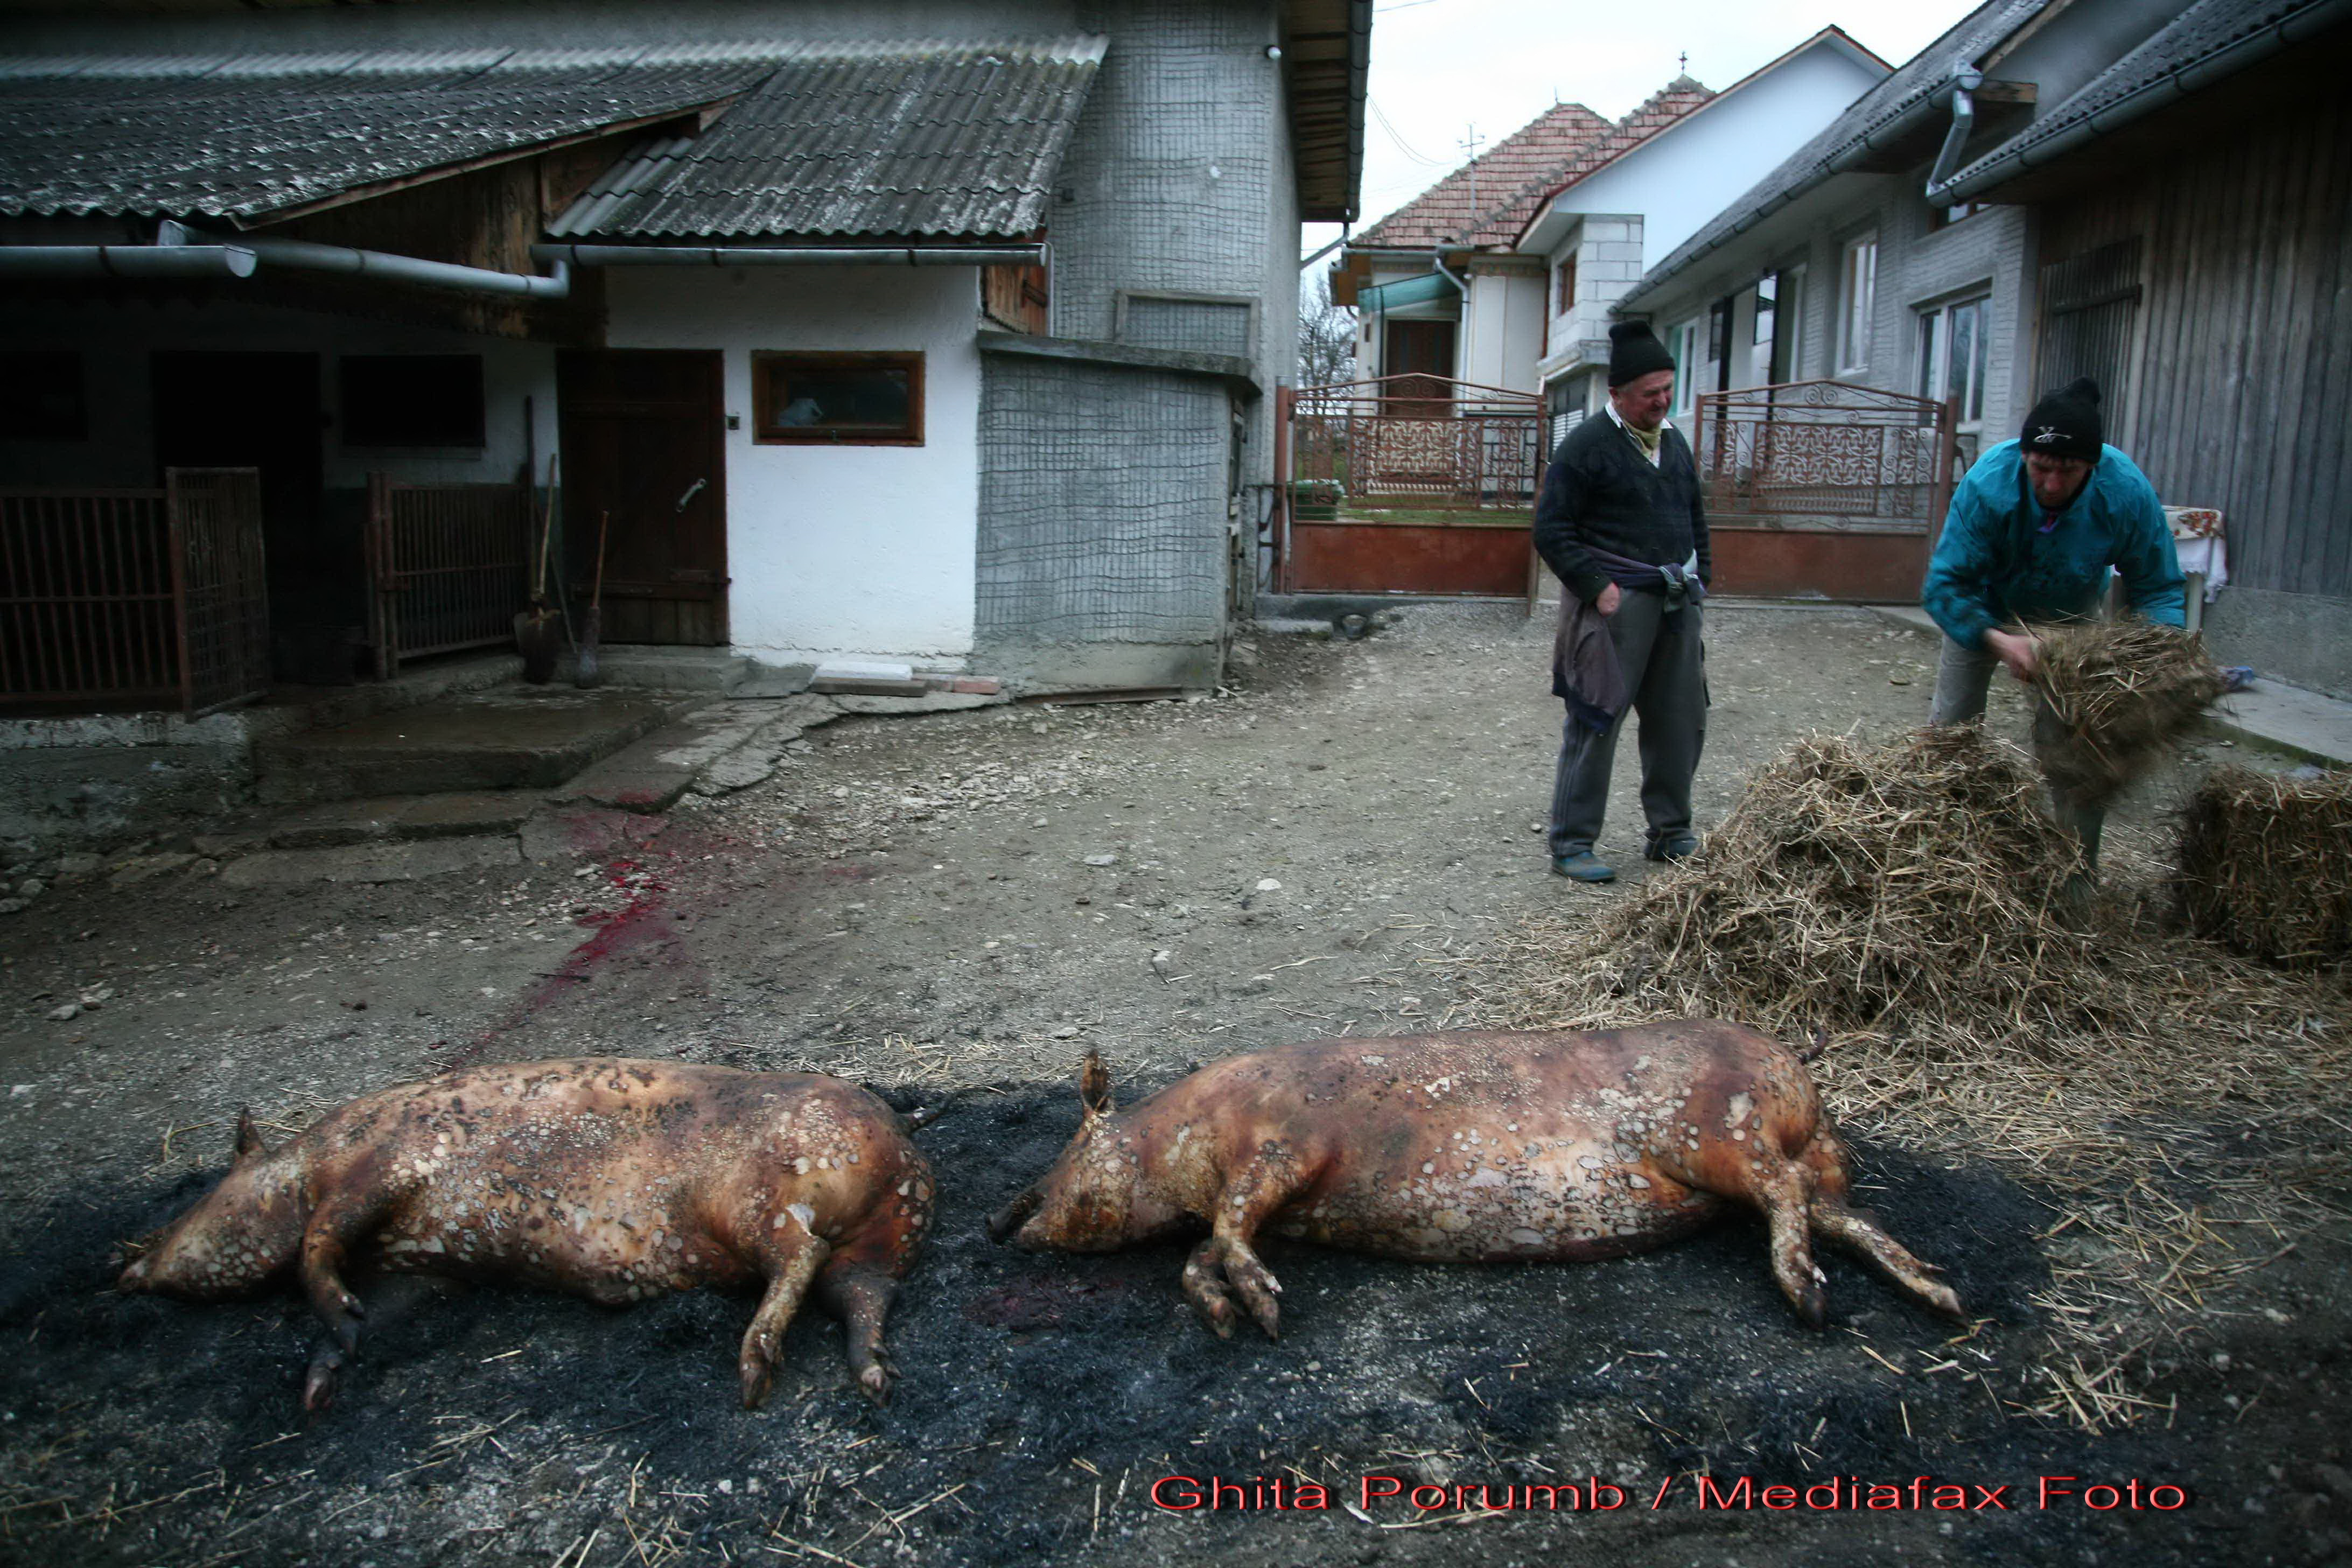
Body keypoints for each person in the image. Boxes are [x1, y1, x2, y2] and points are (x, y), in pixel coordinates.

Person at [1920, 376, 2186, 869]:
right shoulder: (1987, 485)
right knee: (1951, 735)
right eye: (2041, 467)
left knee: (2077, 749)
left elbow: (2159, 587)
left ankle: (2074, 877)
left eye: (2069, 470)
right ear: (2025, 457)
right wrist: (2002, 643)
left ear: (2093, 464)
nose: (2053, 484)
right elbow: (1943, 587)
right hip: (1983, 608)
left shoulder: (2124, 491)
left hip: (2072, 618)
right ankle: (1940, 859)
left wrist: (2157, 660)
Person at [1534, 320, 1710, 884]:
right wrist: (1597, 588)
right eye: (1649, 393)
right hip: (1616, 605)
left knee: (1680, 719)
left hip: (1677, 600)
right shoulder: (1586, 447)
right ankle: (1572, 843)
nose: (1662, 401)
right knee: (1596, 718)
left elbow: (1695, 518)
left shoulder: (1675, 443)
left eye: (1667, 389)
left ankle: (1671, 831)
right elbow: (1551, 529)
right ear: (1616, 394)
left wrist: (1703, 574)